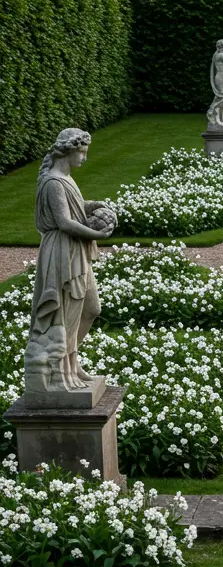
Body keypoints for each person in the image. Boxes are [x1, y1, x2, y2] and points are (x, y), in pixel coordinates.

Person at [25, 128, 116, 396]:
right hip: (63, 252)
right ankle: (59, 371)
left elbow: (72, 207)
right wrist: (98, 234)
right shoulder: (54, 182)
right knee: (66, 314)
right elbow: (64, 222)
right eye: (83, 152)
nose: (85, 157)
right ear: (70, 150)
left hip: (75, 250)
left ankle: (71, 362)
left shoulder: (65, 179)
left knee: (91, 309)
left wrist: (92, 206)